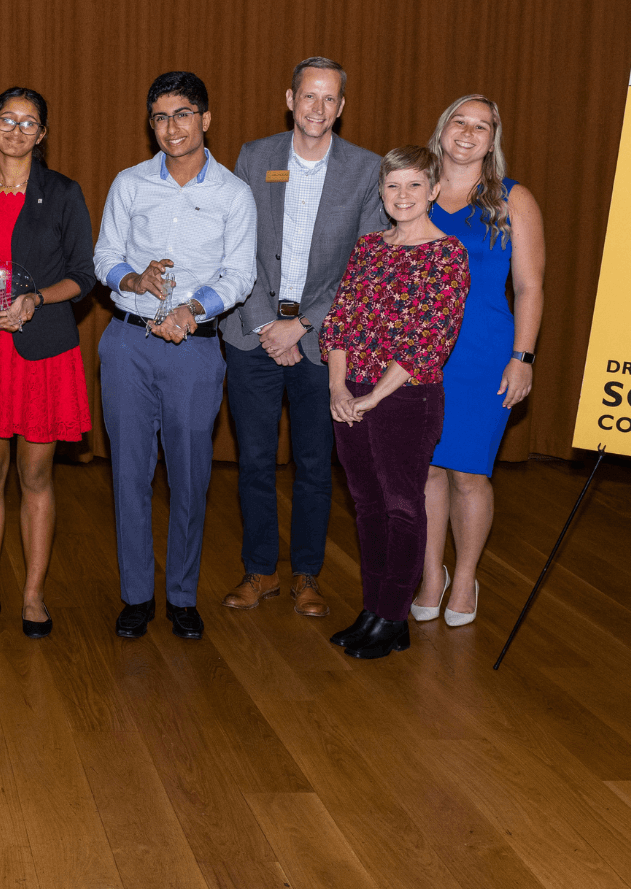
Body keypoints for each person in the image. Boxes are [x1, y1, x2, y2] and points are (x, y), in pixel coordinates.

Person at [219, 57, 386, 620]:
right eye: (308, 97)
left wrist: (303, 323)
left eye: (329, 99)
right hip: (253, 333)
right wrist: (269, 322)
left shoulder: (367, 171)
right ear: (290, 100)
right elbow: (236, 247)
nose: (318, 109)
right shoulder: (253, 156)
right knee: (256, 461)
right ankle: (261, 570)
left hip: (324, 342)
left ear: (341, 106)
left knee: (317, 464)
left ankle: (307, 574)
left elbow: (364, 264)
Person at [94, 72, 257, 640]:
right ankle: (137, 595)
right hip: (127, 344)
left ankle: (182, 596)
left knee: (190, 477)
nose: (172, 128)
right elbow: (104, 256)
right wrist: (131, 278)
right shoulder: (130, 183)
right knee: (130, 474)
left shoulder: (234, 194)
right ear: (151, 125)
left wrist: (193, 310)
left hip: (195, 349)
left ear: (205, 119)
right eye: (160, 117)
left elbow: (239, 274)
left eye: (183, 114)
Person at [0, 88, 96, 639]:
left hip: (40, 350)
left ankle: (33, 595)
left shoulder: (62, 193)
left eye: (29, 123)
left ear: (43, 134)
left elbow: (84, 275)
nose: (16, 129)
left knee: (35, 475)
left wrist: (36, 300)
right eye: (7, 119)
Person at [321, 146, 469, 659]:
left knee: (403, 507)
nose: (402, 196)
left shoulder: (447, 253)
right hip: (351, 394)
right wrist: (341, 390)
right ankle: (374, 609)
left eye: (413, 186)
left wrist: (373, 398)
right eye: (392, 186)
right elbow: (339, 322)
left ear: (432, 191)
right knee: (366, 506)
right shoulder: (368, 247)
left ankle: (392, 615)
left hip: (406, 398)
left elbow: (428, 339)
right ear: (381, 192)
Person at [412, 96, 544, 628]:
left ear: (493, 139)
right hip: (418, 352)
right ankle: (429, 575)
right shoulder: (413, 189)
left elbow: (530, 286)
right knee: (423, 470)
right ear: (442, 130)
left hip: (485, 352)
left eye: (481, 126)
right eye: (459, 123)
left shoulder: (514, 200)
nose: (468, 133)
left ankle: (464, 576)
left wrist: (523, 357)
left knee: (468, 472)